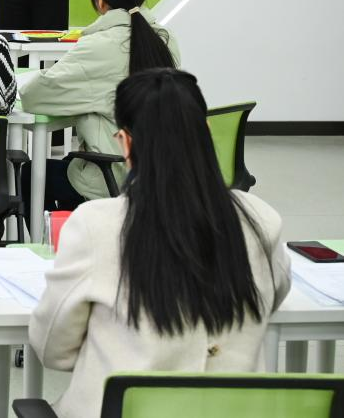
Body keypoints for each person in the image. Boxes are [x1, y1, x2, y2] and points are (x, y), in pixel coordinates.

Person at [30, 69, 290, 418]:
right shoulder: (262, 220)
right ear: (207, 132)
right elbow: (273, 297)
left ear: (125, 142)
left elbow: (53, 349)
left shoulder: (96, 226)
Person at [19, 0, 178, 207]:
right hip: (163, 174)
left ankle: (62, 233)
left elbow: (33, 96)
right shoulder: (165, 40)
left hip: (114, 176)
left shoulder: (98, 45)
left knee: (29, 174)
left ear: (100, 0)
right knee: (70, 162)